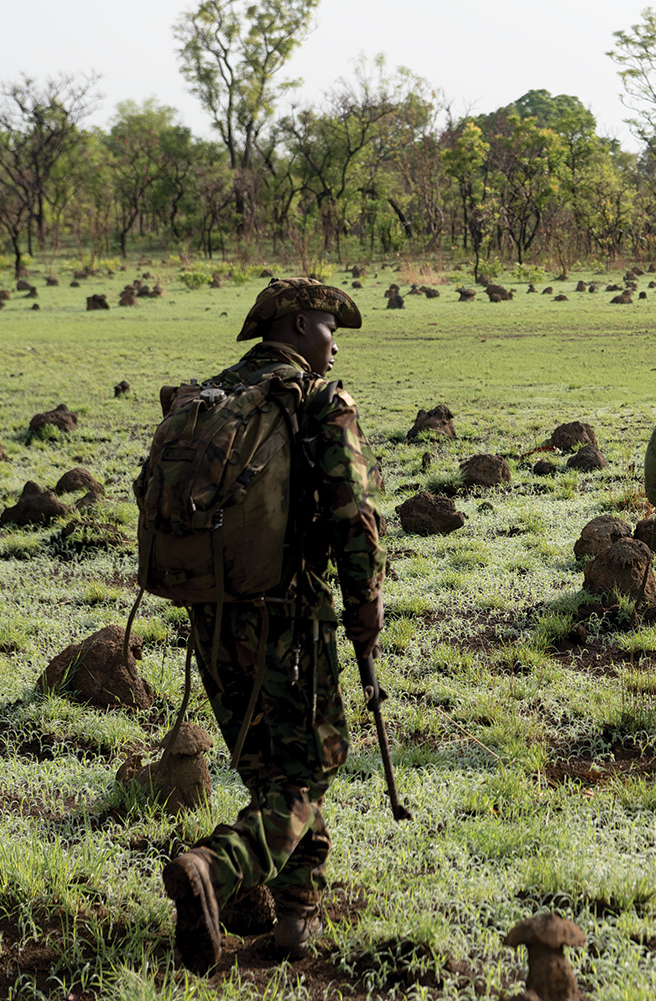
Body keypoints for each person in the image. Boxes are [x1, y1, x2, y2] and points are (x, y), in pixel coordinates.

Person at [161, 277, 387, 973]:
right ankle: (213, 867)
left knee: (274, 772)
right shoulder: (318, 402)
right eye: (326, 324)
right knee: (308, 771)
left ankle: (294, 926)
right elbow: (352, 516)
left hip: (213, 612)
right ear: (292, 326)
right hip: (289, 616)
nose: (334, 339)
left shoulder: (216, 395)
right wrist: (366, 604)